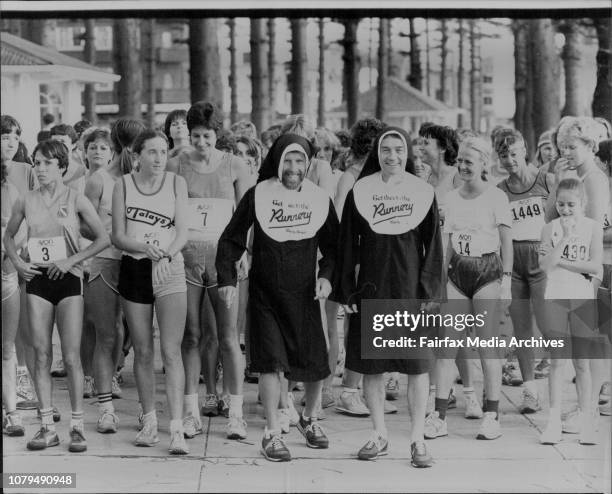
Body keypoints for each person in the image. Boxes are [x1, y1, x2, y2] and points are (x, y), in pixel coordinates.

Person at [216, 133, 339, 462]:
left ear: (308, 164)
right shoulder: (259, 195)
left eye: (300, 161)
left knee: (315, 364)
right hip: (266, 294)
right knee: (271, 365)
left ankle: (309, 419)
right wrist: (227, 278)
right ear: (277, 161)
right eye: (288, 160)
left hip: (306, 294)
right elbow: (231, 238)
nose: (294, 167)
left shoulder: (319, 198)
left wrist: (326, 277)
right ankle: (271, 432)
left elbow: (334, 249)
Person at [333, 127, 443, 467]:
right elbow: (347, 244)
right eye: (386, 150)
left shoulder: (422, 192)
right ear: (376, 153)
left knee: (417, 367)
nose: (392, 156)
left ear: (407, 153)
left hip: (411, 290)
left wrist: (430, 290)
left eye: (398, 149)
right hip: (372, 286)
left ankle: (416, 439)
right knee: (374, 366)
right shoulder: (360, 191)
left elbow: (434, 247)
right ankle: (379, 433)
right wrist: (346, 290)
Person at [3, 139, 109, 452]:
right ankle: (47, 426)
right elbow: (9, 237)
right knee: (40, 354)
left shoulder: (75, 198)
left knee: (72, 355)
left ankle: (77, 426)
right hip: (37, 281)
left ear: (62, 166)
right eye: (37, 163)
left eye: (49, 163)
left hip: (68, 280)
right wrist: (20, 263)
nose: (42, 168)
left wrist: (71, 261)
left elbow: (103, 238)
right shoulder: (25, 199)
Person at [167, 101, 251, 440]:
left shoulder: (235, 165)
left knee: (229, 337)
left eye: (207, 136)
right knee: (191, 335)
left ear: (218, 135)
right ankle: (190, 411)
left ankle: (237, 412)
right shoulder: (176, 165)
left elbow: (246, 215)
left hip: (224, 261)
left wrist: (243, 250)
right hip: (186, 259)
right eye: (196, 136)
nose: (201, 143)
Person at [425, 136, 513, 442]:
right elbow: (446, 244)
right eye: (460, 160)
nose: (462, 166)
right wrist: (439, 283)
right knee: (447, 347)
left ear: (483, 164)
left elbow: (506, 241)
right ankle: (438, 417)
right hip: (457, 273)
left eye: (469, 161)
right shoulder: (451, 198)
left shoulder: (496, 198)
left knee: (487, 345)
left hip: (487, 271)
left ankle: (491, 414)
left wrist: (508, 281)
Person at [111, 129, 190, 454]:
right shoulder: (123, 185)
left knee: (171, 351)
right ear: (137, 154)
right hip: (135, 268)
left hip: (169, 268)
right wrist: (146, 247)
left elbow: (183, 231)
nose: (159, 158)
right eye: (152, 152)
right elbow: (117, 236)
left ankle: (176, 428)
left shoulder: (176, 183)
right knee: (143, 351)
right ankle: (149, 420)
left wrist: (167, 254)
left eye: (163, 151)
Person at [544, 117, 610, 434]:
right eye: (562, 147)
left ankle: (590, 410)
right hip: (571, 274)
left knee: (592, 346)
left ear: (589, 145)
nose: (566, 152)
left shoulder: (594, 179)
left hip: (590, 273)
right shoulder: (572, 176)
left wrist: (588, 278)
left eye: (572, 146)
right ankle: (586, 407)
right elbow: (549, 217)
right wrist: (558, 179)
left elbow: (591, 230)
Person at [419, 123, 481, 419]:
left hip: (457, 262)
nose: (420, 148)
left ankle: (471, 394)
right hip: (430, 263)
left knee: (458, 336)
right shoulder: (423, 178)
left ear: (442, 147)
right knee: (433, 333)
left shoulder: (457, 178)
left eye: (425, 143)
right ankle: (438, 392)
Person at [538, 178, 603, 445]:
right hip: (555, 297)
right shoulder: (549, 228)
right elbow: (544, 266)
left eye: (571, 205)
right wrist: (564, 239)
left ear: (582, 204)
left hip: (582, 299)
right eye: (561, 204)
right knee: (556, 362)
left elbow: (594, 265)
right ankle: (553, 422)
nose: (565, 209)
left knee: (582, 364)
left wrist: (561, 261)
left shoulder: (593, 228)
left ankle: (587, 420)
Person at [495, 128, 554, 414]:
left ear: (525, 151)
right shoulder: (500, 190)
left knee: (548, 325)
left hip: (541, 259)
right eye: (503, 155)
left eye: (514, 153)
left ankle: (560, 387)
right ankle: (530, 391)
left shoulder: (546, 180)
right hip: (513, 261)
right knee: (521, 330)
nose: (509, 160)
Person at [332, 118, 387, 418]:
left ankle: (369, 389)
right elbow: (341, 219)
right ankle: (349, 391)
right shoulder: (351, 177)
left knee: (375, 324)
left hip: (378, 258)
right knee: (357, 325)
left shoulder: (381, 177)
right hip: (357, 259)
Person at [80, 128, 125, 433]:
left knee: (120, 327)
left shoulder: (129, 180)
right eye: (92, 147)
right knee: (95, 325)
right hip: (98, 258)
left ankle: (113, 373)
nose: (98, 151)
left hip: (130, 262)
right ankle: (94, 380)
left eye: (103, 147)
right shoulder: (95, 180)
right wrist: (105, 237)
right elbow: (82, 224)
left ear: (113, 151)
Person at [1, 115, 39, 412]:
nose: (10, 142)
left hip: (23, 255)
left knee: (24, 322)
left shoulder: (27, 171)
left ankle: (23, 379)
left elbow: (38, 210)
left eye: (15, 136)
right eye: (4, 136)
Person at [2, 156, 24, 437]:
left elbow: (21, 233)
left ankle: (12, 411)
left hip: (6, 276)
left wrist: (10, 255)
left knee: (7, 347)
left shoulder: (11, 191)